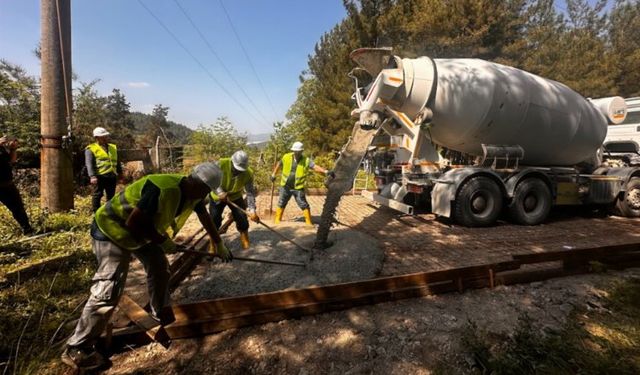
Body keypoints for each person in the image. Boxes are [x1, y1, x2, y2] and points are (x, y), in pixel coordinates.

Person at [61, 162, 232, 371]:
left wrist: (218, 242)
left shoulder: (193, 192)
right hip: (112, 230)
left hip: (141, 233)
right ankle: (76, 347)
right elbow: (135, 222)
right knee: (109, 287)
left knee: (160, 266)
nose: (206, 195)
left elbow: (204, 216)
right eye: (206, 191)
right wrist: (162, 241)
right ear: (199, 184)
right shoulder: (162, 189)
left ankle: (160, 309)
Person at [270, 141, 335, 225]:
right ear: (293, 150)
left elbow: (315, 167)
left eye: (298, 151)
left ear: (301, 151)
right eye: (295, 151)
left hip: (298, 188)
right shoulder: (286, 157)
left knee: (303, 204)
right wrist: (273, 174)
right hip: (285, 186)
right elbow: (279, 164)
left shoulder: (306, 160)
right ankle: (277, 220)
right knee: (281, 202)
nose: (296, 153)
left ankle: (308, 222)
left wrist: (325, 171)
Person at [209, 150, 260, 249]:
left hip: (235, 195)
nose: (238, 171)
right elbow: (210, 178)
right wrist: (219, 192)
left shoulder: (248, 173)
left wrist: (252, 210)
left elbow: (250, 192)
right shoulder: (220, 164)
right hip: (217, 195)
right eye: (237, 169)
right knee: (214, 219)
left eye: (241, 170)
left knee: (242, 217)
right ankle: (213, 244)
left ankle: (245, 239)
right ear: (232, 161)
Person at [0, 135, 33, 235]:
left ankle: (27, 230)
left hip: (7, 185)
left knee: (18, 208)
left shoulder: (1, 149)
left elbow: (12, 160)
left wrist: (13, 149)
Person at [85, 127, 122, 212]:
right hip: (99, 176)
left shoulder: (113, 147)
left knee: (111, 195)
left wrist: (120, 173)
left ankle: (109, 212)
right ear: (97, 138)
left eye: (106, 136)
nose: (105, 138)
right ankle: (96, 213)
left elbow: (117, 160)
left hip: (111, 175)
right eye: (103, 136)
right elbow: (89, 164)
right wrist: (92, 176)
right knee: (97, 195)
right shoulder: (91, 149)